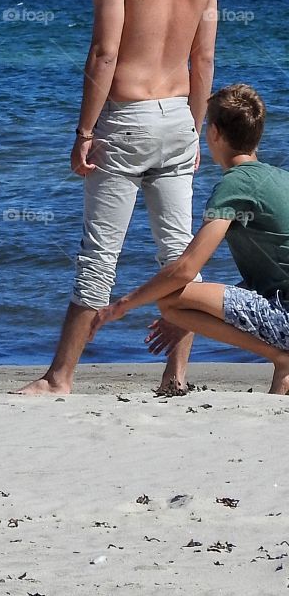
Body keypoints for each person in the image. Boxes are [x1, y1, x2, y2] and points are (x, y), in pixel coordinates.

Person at [18, 0, 216, 396]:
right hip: (179, 118)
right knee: (179, 256)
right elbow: (203, 60)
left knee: (99, 254)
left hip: (127, 118)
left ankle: (60, 377)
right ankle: (175, 375)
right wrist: (195, 128)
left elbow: (105, 54)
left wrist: (84, 132)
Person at [90, 84, 289, 396]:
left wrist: (122, 305)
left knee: (170, 300)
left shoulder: (235, 186)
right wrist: (194, 314)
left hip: (285, 318)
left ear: (214, 133)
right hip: (281, 305)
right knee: (182, 302)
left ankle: (281, 358)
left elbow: (185, 269)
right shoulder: (280, 178)